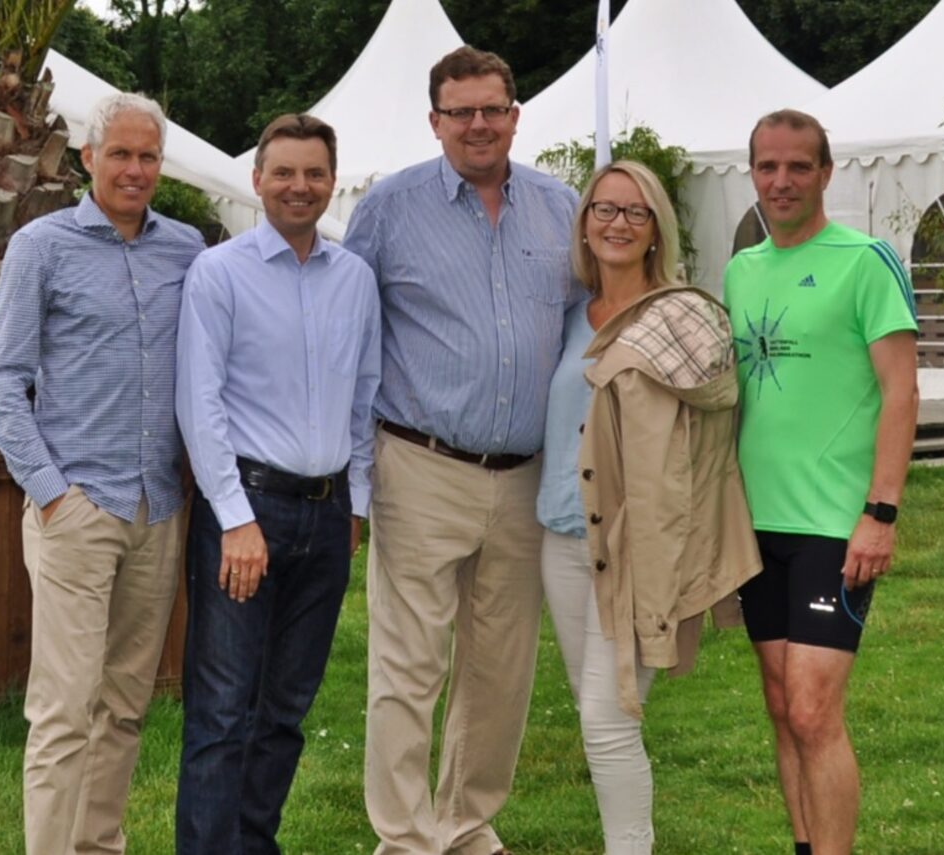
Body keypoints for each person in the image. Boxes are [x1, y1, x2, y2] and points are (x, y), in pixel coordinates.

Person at [343, 45, 580, 855]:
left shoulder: (562, 207)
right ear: (435, 121)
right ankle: (405, 839)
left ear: (515, 115)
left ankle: (465, 822)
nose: (478, 125)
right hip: (419, 465)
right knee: (409, 669)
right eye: (461, 112)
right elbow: (350, 337)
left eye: (492, 109)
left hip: (526, 478)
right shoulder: (388, 209)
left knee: (501, 672)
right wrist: (352, 475)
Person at [0, 92, 205, 855]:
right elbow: (2, 385)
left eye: (148, 156)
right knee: (64, 709)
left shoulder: (189, 250)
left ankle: (98, 845)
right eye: (121, 154)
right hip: (77, 509)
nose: (135, 170)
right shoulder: (41, 246)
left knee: (126, 705)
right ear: (88, 157)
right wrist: (52, 495)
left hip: (159, 509)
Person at [539, 160, 762, 854]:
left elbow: (700, 441)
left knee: (609, 720)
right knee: (595, 711)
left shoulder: (681, 320)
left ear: (656, 229)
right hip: (560, 539)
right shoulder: (570, 316)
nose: (617, 224)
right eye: (603, 210)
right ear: (584, 224)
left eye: (635, 213)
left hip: (635, 546)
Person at [174, 113, 381, 855]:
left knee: (287, 710)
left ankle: (254, 843)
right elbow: (199, 404)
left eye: (314, 173)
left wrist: (355, 506)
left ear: (332, 181)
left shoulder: (354, 279)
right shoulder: (219, 273)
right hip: (245, 511)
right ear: (257, 180)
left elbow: (364, 396)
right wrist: (234, 517)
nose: (300, 186)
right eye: (284, 172)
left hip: (326, 519)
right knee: (224, 712)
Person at [724, 109, 919, 855]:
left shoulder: (865, 260)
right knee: (780, 706)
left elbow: (901, 391)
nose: (781, 180)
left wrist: (881, 510)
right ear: (753, 173)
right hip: (754, 523)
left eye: (798, 166)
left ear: (826, 172)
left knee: (813, 710)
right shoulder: (741, 270)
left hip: (834, 525)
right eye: (768, 166)